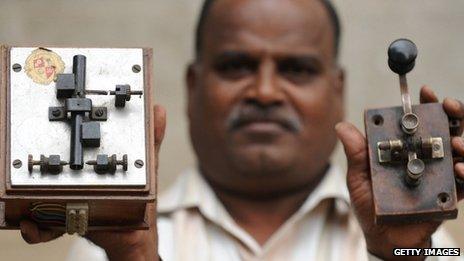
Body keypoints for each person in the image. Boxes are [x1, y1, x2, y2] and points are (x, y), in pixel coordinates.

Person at [19, 0, 464, 260]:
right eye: (235, 66)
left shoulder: (430, 243)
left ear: (337, 89)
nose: (265, 92)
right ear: (192, 88)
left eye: (296, 69)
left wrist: (402, 255)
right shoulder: (109, 242)